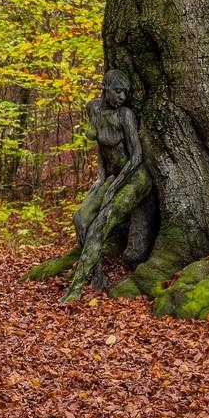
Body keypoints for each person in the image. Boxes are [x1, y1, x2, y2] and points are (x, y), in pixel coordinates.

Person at [63, 69, 154, 301]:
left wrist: (114, 186)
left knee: (99, 226)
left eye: (125, 92)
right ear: (105, 88)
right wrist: (102, 179)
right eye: (118, 91)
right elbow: (101, 149)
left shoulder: (126, 115)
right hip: (112, 177)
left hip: (135, 178)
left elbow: (135, 156)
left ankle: (75, 288)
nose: (122, 96)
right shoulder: (92, 108)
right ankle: (97, 276)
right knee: (81, 220)